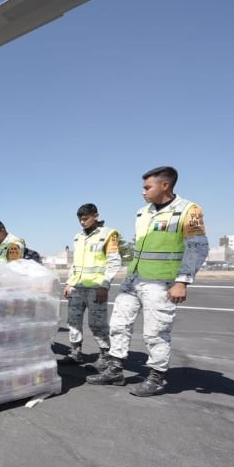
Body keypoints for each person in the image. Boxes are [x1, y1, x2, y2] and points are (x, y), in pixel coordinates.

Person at [87, 166, 208, 396]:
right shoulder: (143, 212)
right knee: (118, 325)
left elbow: (198, 248)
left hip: (162, 282)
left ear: (165, 185)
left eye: (147, 187)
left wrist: (182, 281)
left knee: (155, 332)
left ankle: (157, 377)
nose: (143, 192)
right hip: (133, 279)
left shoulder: (188, 211)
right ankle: (115, 369)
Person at [60, 203, 121, 369]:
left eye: (85, 219)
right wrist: (69, 282)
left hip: (96, 288)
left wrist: (104, 285)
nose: (82, 222)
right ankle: (75, 353)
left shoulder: (108, 234)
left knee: (97, 324)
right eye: (80, 219)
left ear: (96, 215)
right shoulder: (78, 238)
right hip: (77, 287)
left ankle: (105, 355)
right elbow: (75, 264)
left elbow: (114, 262)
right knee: (73, 321)